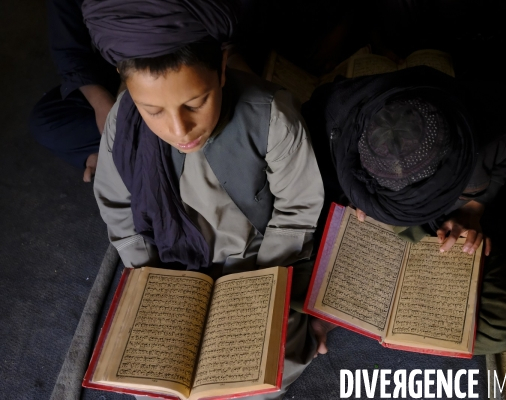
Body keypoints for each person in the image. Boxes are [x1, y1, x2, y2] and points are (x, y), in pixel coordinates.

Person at [82, 0, 325, 398]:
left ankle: (302, 323)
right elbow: (118, 207)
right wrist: (153, 282)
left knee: (258, 379)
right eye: (153, 110)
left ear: (223, 70)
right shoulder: (123, 122)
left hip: (256, 264)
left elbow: (296, 214)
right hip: (170, 266)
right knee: (149, 385)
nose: (180, 129)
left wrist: (257, 291)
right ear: (128, 90)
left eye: (195, 103)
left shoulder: (272, 115)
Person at [303, 65, 506, 354]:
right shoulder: (327, 128)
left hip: (441, 227)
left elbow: (503, 159)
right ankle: (363, 318)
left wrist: (472, 211)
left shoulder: (495, 131)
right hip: (362, 224)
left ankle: (391, 323)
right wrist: (358, 207)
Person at [29, 0, 121, 182]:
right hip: (116, 66)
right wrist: (101, 103)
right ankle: (107, 147)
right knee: (46, 124)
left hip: (172, 65)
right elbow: (69, 52)